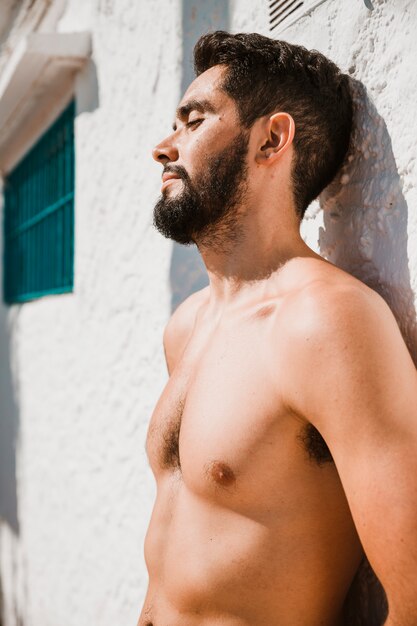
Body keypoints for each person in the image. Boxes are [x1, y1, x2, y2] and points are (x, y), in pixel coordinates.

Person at [138, 31, 417, 626]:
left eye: (194, 121)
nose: (164, 147)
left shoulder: (326, 322)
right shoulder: (187, 326)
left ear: (271, 139)